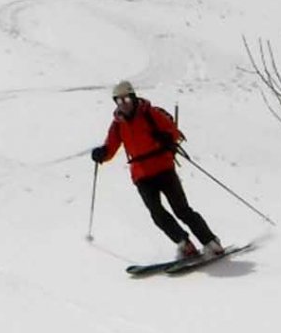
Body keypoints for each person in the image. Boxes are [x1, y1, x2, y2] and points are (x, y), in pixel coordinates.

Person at [91, 80, 223, 261]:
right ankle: (185, 244)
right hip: (141, 175)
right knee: (157, 214)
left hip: (163, 168)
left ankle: (211, 242)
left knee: (181, 210)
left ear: (133, 98)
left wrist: (166, 137)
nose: (123, 104)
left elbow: (174, 132)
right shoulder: (118, 124)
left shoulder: (150, 113)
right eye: (119, 101)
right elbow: (111, 146)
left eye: (126, 99)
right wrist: (102, 153)